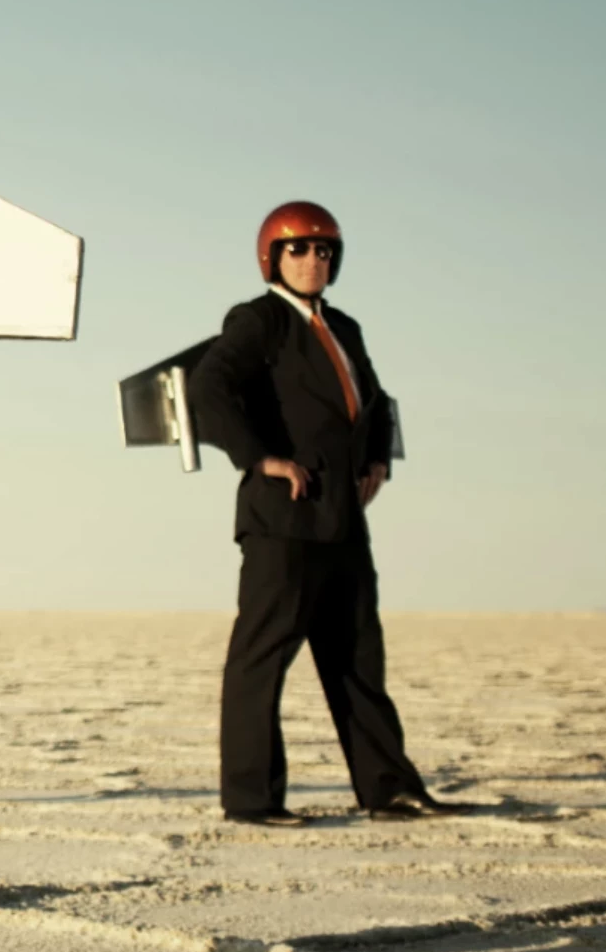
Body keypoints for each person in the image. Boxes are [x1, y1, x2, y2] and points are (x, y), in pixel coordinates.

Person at [187, 201, 464, 827]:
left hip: (343, 519)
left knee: (359, 658)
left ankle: (387, 789)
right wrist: (261, 459)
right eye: (300, 249)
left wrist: (377, 461)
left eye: (325, 250)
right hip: (283, 519)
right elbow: (209, 388)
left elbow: (372, 400)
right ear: (272, 257)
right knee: (261, 660)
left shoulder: (346, 328)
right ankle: (252, 800)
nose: (315, 260)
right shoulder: (260, 321)